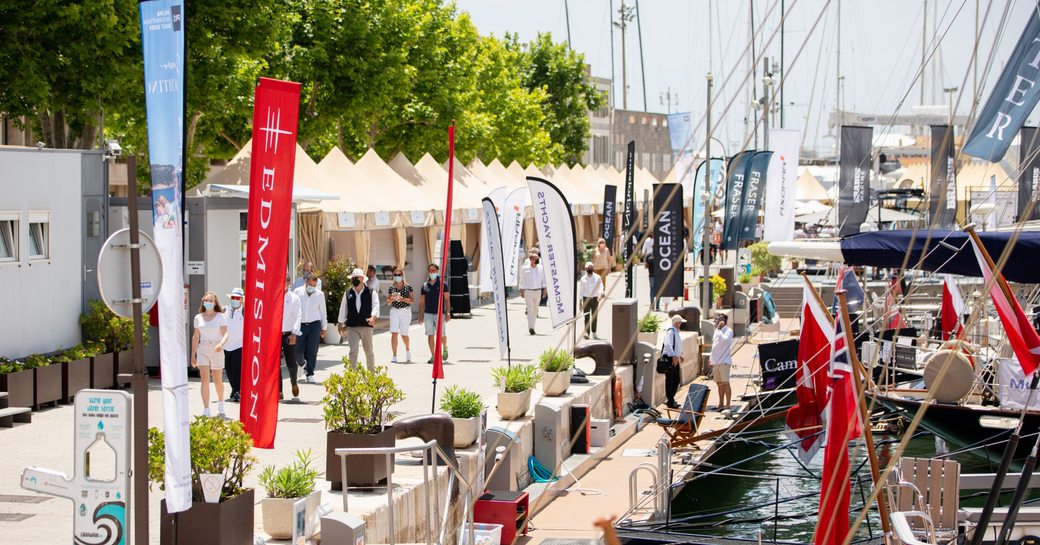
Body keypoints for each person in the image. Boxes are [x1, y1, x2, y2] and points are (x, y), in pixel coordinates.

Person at [191, 292, 229, 417]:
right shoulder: (198, 317)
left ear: (215, 303)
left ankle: (221, 402)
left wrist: (221, 344)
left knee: (217, 381)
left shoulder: (220, 316)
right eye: (206, 300)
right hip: (203, 348)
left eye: (211, 301)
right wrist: (193, 354)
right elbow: (196, 336)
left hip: (216, 348)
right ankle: (206, 409)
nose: (208, 302)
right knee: (204, 379)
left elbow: (225, 334)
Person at [338, 268, 380, 370]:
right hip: (352, 326)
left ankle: (371, 375)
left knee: (369, 351)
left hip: (366, 326)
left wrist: (374, 316)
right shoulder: (347, 293)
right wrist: (340, 323)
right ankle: (353, 376)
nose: (353, 280)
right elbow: (343, 308)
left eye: (355, 278)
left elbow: (376, 305)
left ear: (361, 278)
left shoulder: (371, 292)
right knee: (353, 351)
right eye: (352, 278)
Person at [293, 272, 327, 383]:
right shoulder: (297, 292)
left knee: (312, 350)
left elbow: (323, 312)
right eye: (311, 285)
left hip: (314, 325)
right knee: (297, 350)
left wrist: (324, 327)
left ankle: (310, 373)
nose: (312, 287)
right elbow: (293, 310)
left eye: (314, 285)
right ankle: (302, 363)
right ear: (306, 282)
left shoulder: (319, 294)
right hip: (300, 325)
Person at [418, 263, 450, 363]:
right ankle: (434, 355)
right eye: (430, 271)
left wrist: (448, 312)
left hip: (440, 313)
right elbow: (422, 301)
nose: (432, 272)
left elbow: (447, 299)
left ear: (437, 271)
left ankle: (445, 347)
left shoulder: (443, 284)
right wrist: (420, 315)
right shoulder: (424, 285)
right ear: (428, 272)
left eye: (434, 271)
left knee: (441, 334)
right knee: (430, 334)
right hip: (428, 314)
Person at [281, 276, 303, 399]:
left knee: (291, 361)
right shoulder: (273, 296)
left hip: (289, 333)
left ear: (289, 283)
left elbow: (298, 316)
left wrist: (294, 333)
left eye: (285, 282)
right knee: (274, 363)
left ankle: (293, 382)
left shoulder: (294, 298)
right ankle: (279, 390)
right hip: (275, 334)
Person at [387, 268, 413, 363]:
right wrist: (392, 299)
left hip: (405, 311)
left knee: (404, 334)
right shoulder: (391, 287)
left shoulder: (408, 286)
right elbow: (388, 302)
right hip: (394, 311)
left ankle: (407, 349)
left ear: (402, 275)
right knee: (394, 333)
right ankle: (394, 355)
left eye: (399, 275)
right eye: (396, 275)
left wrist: (403, 299)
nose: (397, 277)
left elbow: (412, 300)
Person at [223, 287, 245, 403]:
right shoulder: (225, 309)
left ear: (241, 299)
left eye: (237, 298)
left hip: (239, 344)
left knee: (237, 368)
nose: (234, 300)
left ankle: (237, 390)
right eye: (233, 297)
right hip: (227, 345)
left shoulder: (244, 310)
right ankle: (234, 388)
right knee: (228, 369)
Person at [710, 313, 734, 411]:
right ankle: (721, 404)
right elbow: (715, 344)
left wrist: (719, 329)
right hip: (716, 361)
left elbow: (724, 340)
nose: (718, 320)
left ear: (724, 321)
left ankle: (727, 405)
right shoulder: (717, 330)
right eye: (717, 318)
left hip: (724, 361)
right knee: (719, 383)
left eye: (721, 319)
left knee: (725, 382)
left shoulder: (728, 331)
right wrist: (711, 359)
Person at [519, 252, 546, 334]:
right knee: (530, 309)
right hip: (528, 291)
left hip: (538, 291)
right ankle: (531, 327)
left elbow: (543, 280)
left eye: (538, 258)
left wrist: (545, 290)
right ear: (531, 260)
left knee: (535, 310)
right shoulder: (525, 268)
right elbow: (522, 280)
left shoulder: (541, 268)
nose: (538, 260)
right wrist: (521, 290)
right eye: (536, 258)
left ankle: (532, 325)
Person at [662, 314, 685, 409]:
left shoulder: (676, 332)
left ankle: (671, 399)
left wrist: (680, 355)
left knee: (676, 380)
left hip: (675, 358)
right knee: (671, 380)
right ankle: (670, 401)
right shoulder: (671, 332)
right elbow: (667, 345)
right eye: (680, 322)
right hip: (670, 359)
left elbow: (677, 345)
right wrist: (674, 356)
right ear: (677, 323)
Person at [578, 261, 604, 339]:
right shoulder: (583, 279)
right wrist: (580, 302)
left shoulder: (597, 277)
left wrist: (600, 295)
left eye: (591, 268)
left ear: (593, 268)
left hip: (595, 299)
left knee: (594, 316)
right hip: (586, 298)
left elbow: (601, 287)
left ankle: (594, 332)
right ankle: (587, 333)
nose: (590, 269)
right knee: (586, 316)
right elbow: (581, 291)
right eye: (588, 268)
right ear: (585, 269)